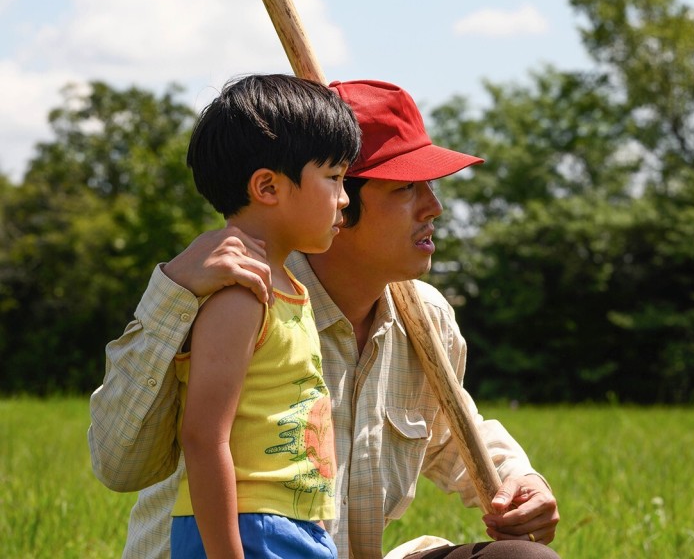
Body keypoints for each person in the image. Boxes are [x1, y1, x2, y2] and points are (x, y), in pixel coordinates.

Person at [89, 79, 561, 559]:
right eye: (404, 188)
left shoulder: (427, 318)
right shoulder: (235, 292)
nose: (434, 207)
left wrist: (518, 480)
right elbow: (118, 465)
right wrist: (171, 293)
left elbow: (451, 431)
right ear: (342, 201)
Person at [170, 74, 362, 558]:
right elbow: (202, 435)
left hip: (291, 524)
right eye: (335, 178)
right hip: (248, 528)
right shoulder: (240, 296)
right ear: (268, 187)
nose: (344, 198)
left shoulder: (291, 290)